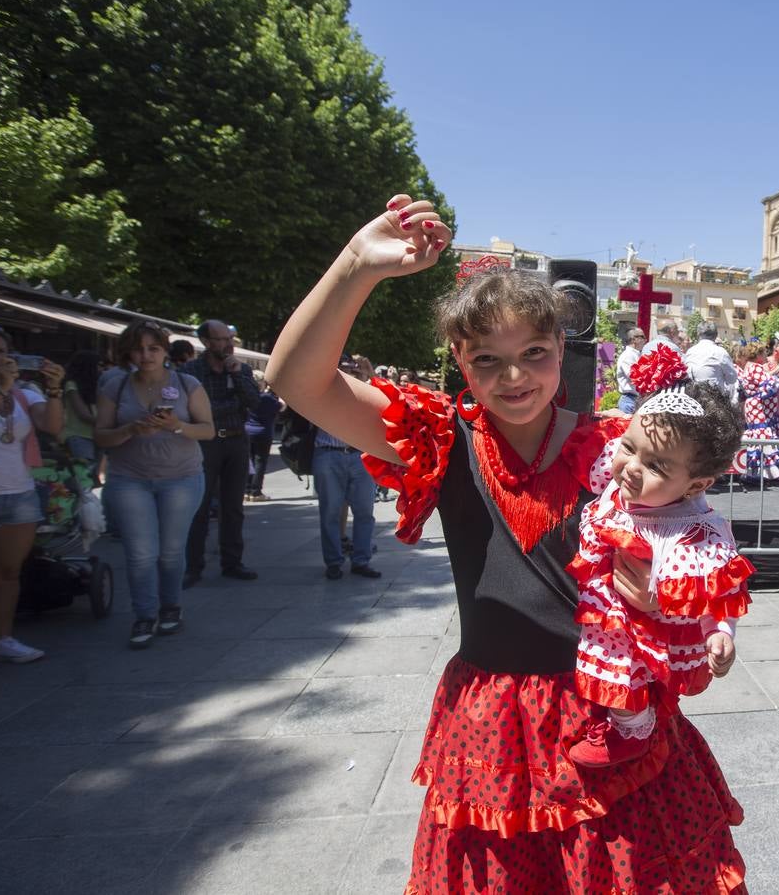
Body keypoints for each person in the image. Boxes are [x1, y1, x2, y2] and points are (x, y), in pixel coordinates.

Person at [265, 195, 745, 892]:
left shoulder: (614, 448)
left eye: (534, 354)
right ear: (459, 357)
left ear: (561, 350)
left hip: (606, 719)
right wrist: (356, 266)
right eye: (487, 359)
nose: (514, 377)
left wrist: (693, 619)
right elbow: (294, 381)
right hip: (491, 724)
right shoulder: (440, 441)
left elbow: (698, 541)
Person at [567, 351, 752, 767]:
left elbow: (717, 592)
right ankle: (618, 716)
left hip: (645, 628)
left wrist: (720, 633)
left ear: (695, 486)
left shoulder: (693, 527)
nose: (631, 468)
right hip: (606, 613)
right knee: (606, 670)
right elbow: (606, 447)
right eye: (628, 448)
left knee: (622, 673)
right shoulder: (621, 480)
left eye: (655, 467)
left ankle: (633, 729)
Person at [95, 321, 215, 649]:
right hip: (129, 479)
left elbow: (207, 430)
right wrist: (130, 431)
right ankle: (144, 614)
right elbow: (100, 435)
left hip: (182, 477)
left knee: (171, 551)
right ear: (127, 352)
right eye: (138, 348)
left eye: (153, 348)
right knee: (140, 552)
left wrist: (177, 426)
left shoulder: (187, 383)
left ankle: (170, 606)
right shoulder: (113, 386)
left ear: (165, 350)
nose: (145, 355)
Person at [0, 325, 64, 663]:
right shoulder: (4, 390)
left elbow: (53, 426)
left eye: (1, 352)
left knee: (7, 573)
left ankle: (2, 639)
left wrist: (56, 389)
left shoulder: (23, 393)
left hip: (18, 492)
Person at [182, 319, 260, 586]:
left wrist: (237, 375)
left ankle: (233, 562)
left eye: (229, 339)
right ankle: (192, 566)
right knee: (199, 506)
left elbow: (254, 402)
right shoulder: (191, 372)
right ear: (205, 342)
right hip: (206, 444)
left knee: (233, 507)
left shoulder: (241, 370)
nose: (227, 344)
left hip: (237, 442)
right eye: (221, 339)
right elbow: (196, 411)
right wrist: (229, 406)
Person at [313, 359, 381, 581]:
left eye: (352, 369)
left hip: (360, 456)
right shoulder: (323, 388)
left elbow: (386, 402)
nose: (349, 372)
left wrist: (369, 377)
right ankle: (333, 562)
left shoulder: (364, 390)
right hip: (328, 454)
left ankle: (361, 560)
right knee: (330, 512)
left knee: (364, 512)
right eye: (344, 368)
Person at [737, 342, 779, 483]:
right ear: (758, 355)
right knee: (762, 436)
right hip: (758, 406)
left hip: (753, 405)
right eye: (764, 353)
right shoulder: (756, 367)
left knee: (758, 436)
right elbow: (768, 382)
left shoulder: (749, 367)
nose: (766, 355)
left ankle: (757, 472)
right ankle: (758, 473)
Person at [244, 374, 283, 501]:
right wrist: (282, 397)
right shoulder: (266, 398)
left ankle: (247, 490)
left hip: (248, 432)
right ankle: (256, 492)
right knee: (260, 462)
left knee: (249, 461)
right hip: (263, 433)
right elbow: (281, 407)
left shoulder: (248, 397)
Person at [61, 350, 102, 466]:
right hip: (79, 435)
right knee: (85, 473)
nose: (101, 369)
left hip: (97, 435)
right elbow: (83, 414)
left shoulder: (95, 386)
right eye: (98, 365)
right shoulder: (71, 385)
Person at [684, 320, 738, 404]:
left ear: (698, 334)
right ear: (716, 335)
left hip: (693, 400)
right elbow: (732, 379)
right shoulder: (721, 352)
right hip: (715, 403)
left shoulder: (690, 352)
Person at [614, 327, 645, 414]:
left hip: (634, 399)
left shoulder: (636, 355)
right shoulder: (628, 356)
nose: (645, 340)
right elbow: (635, 377)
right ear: (634, 339)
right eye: (642, 337)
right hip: (629, 401)